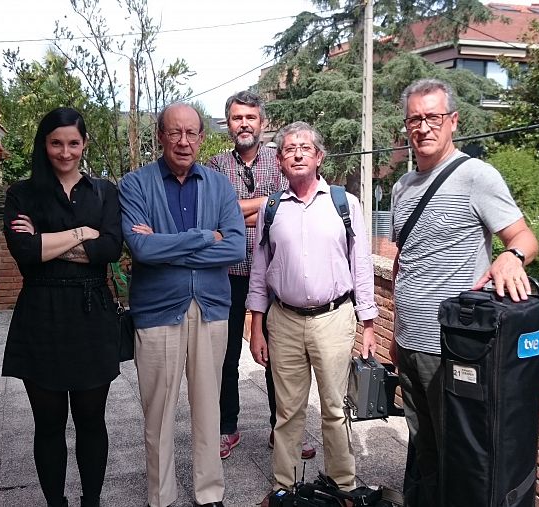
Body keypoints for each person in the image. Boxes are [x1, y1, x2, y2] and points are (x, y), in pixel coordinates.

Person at [390, 78, 539, 505]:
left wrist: (511, 256)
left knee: (462, 456)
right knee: (424, 449)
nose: (423, 127)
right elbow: (405, 260)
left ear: (453, 121)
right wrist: (396, 335)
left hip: (455, 348)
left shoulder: (477, 176)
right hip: (410, 341)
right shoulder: (403, 187)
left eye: (433, 117)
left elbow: (525, 236)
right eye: (415, 118)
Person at [118, 102, 245, 507]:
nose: (184, 141)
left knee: (209, 407)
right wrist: (207, 237)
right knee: (158, 414)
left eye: (192, 133)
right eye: (175, 132)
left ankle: (209, 494)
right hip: (157, 311)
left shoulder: (221, 186)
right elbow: (140, 246)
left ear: (203, 138)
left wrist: (165, 244)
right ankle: (161, 496)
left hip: (211, 309)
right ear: (161, 136)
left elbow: (237, 247)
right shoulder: (135, 185)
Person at [247, 121, 378, 506]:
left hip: (334, 319)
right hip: (283, 321)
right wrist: (256, 328)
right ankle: (283, 486)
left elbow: (362, 267)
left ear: (319, 157)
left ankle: (343, 484)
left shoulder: (344, 204)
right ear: (280, 161)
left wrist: (368, 324)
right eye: (290, 149)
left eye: (306, 147)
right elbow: (259, 274)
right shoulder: (271, 210)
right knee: (287, 412)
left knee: (335, 408)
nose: (298, 153)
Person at [2, 107, 122, 507]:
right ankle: (56, 503)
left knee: (91, 421)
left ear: (84, 143)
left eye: (73, 142)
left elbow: (109, 248)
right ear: (45, 144)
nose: (65, 151)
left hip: (92, 315)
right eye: (56, 143)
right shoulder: (22, 193)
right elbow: (25, 253)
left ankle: (91, 501)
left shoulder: (104, 191)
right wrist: (80, 234)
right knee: (48, 424)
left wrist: (47, 242)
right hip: (41, 316)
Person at [206, 91, 316, 462]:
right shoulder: (216, 166)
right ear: (229, 124)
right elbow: (217, 215)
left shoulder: (281, 158)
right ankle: (226, 427)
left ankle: (281, 429)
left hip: (275, 275)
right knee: (225, 355)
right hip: (228, 274)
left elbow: (295, 203)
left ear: (262, 123)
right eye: (237, 118)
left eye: (250, 118)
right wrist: (269, 204)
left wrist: (240, 213)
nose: (244, 124)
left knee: (281, 356)